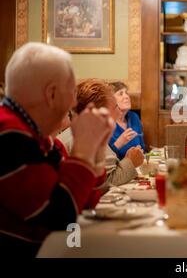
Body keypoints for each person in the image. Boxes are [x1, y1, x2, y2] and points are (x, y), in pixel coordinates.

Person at [0, 42, 114, 257]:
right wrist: (82, 151)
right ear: (51, 94)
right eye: (71, 92)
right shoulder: (8, 134)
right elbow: (58, 217)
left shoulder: (46, 141)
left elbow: (83, 205)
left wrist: (95, 151)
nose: (73, 102)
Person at [58, 79, 144, 189]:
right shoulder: (88, 136)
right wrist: (130, 162)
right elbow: (105, 183)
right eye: (116, 107)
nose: (119, 112)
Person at [108, 82, 145, 159]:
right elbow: (106, 159)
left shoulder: (134, 117)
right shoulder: (106, 123)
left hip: (137, 167)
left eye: (126, 93)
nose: (127, 96)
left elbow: (142, 148)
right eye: (121, 94)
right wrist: (118, 144)